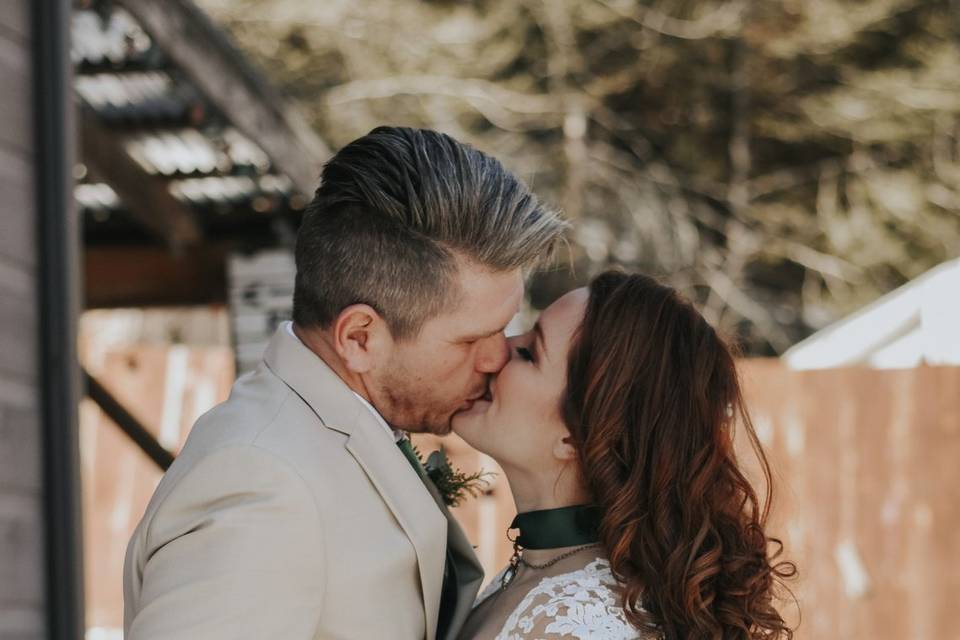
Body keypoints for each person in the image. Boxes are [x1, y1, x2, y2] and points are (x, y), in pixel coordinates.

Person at [122, 126, 567, 640]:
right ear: (360, 338)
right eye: (472, 339)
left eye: (505, 328)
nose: (497, 358)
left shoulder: (334, 431)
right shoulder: (260, 482)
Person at [453, 271, 796, 640]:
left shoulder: (572, 625)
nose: (499, 350)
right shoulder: (546, 578)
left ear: (577, 437)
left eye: (528, 353)